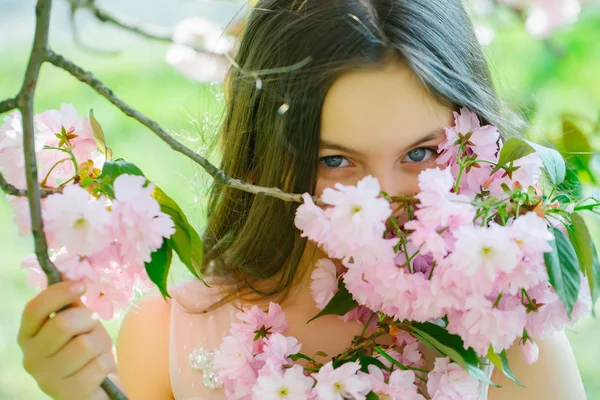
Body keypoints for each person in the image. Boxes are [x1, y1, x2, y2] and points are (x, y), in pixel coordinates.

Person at [17, 0, 588, 399]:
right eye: (335, 161)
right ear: (266, 154)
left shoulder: (505, 334)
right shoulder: (172, 331)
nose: (383, 202)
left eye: (420, 154)